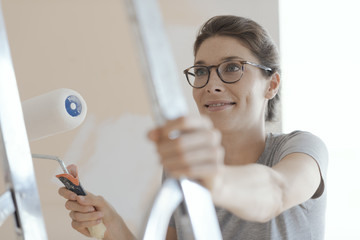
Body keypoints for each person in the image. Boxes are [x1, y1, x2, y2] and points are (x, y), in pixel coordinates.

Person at [59, 15, 328, 240]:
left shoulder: (301, 149)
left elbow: (276, 192)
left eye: (232, 67)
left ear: (271, 84)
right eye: (201, 72)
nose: (212, 85)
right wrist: (111, 225)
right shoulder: (185, 166)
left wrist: (213, 178)